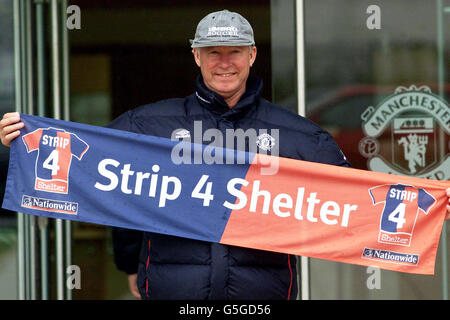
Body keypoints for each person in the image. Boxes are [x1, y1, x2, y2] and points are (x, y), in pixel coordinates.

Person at [1, 9, 450, 300]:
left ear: (252, 55)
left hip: (262, 299)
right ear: (196, 57)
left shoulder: (299, 137)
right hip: (175, 294)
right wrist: (19, 143)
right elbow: (95, 175)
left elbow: (355, 206)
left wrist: (428, 209)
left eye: (234, 52)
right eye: (212, 52)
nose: (224, 62)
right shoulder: (147, 126)